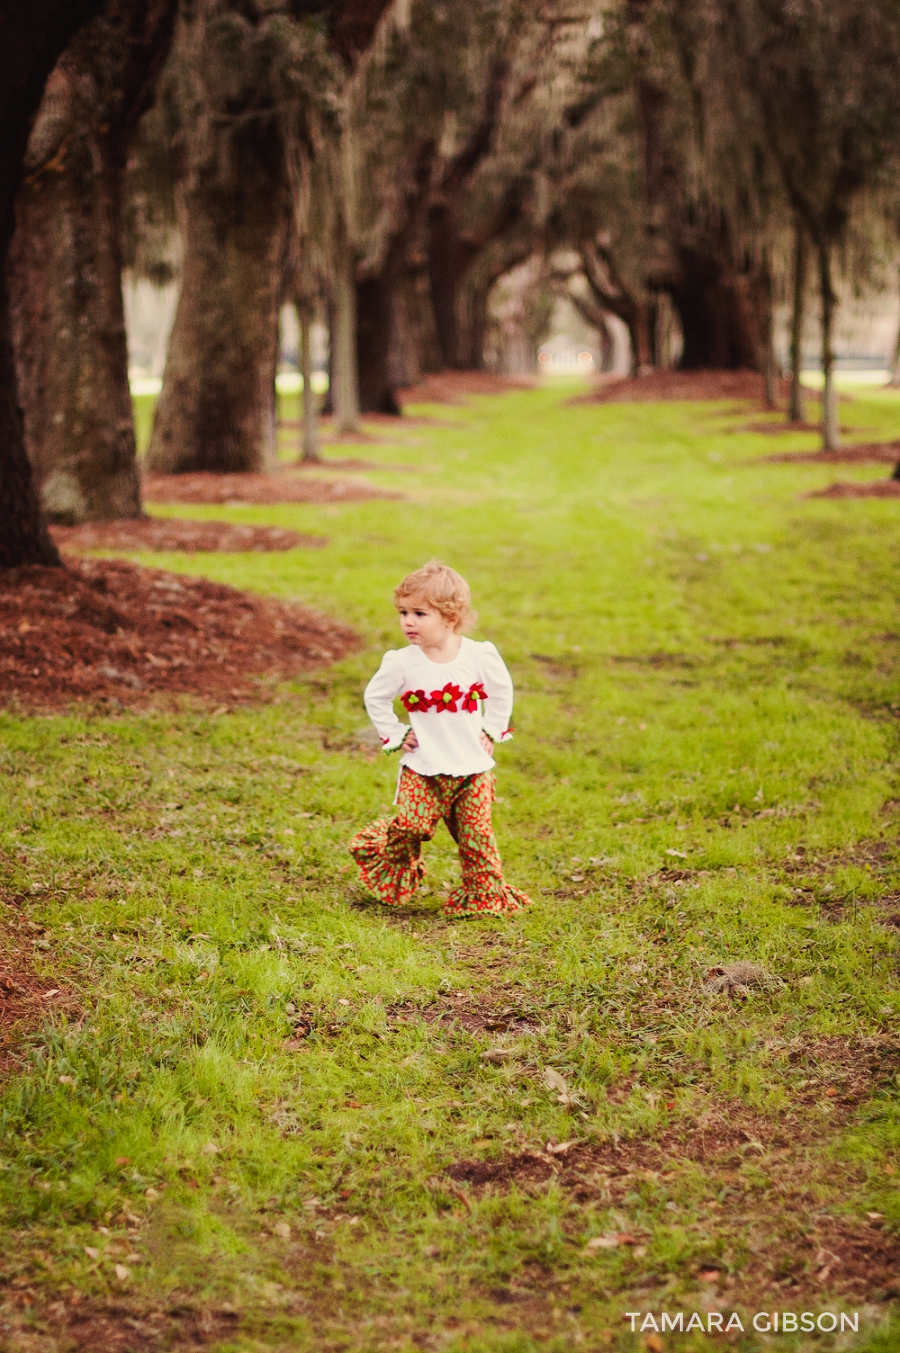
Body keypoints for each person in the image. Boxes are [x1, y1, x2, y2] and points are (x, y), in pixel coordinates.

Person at [349, 561, 530, 919]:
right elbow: (376, 697)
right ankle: (388, 856)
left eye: (419, 613)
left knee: (477, 836)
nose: (408, 622)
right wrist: (397, 733)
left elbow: (500, 690)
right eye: (403, 612)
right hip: (424, 768)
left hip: (472, 769)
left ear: (450, 617)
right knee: (412, 825)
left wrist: (492, 729)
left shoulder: (479, 655)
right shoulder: (402, 662)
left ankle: (484, 896)